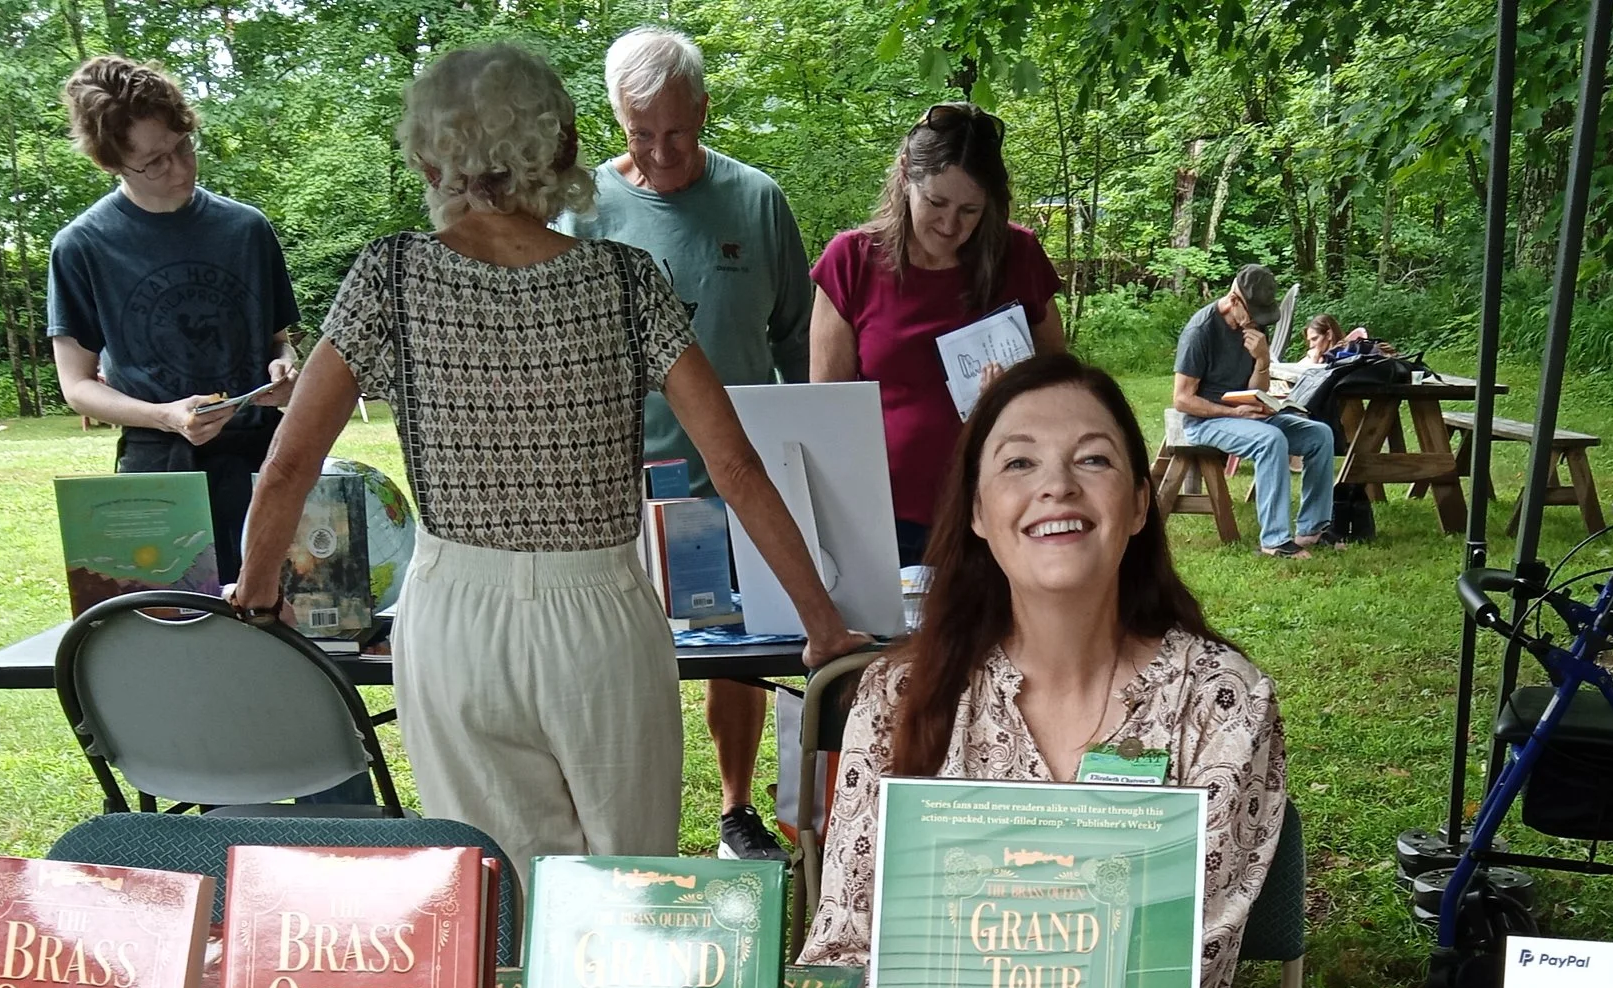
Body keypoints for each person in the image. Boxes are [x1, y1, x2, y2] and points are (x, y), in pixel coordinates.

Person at [231, 43, 858, 871]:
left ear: (428, 156)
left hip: (457, 619)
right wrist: (821, 621)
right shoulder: (628, 281)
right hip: (599, 614)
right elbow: (735, 464)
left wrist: (259, 584)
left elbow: (289, 462)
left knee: (507, 892)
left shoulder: (389, 274)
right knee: (628, 887)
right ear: (563, 150)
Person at [800, 353, 1287, 988]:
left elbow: (1180, 973)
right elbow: (843, 952)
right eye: (1019, 463)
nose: (1057, 485)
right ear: (976, 510)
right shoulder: (897, 697)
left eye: (1093, 460)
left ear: (1141, 503)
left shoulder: (1221, 702)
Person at [559, 27, 815, 865]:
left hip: (736, 478)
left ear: (704, 110)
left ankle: (737, 809)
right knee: (624, 661)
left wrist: (807, 454)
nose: (662, 151)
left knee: (737, 655)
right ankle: (626, 828)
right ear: (616, 121)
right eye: (640, 134)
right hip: (620, 482)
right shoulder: (581, 209)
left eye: (677, 130)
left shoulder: (757, 200)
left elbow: (798, 340)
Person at [48, 56, 299, 584]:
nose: (181, 169)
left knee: (284, 627)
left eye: (184, 146)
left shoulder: (247, 229)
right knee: (168, 635)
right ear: (113, 163)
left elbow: (279, 342)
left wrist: (284, 373)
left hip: (265, 460)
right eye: (156, 162)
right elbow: (77, 386)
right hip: (159, 471)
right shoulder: (82, 246)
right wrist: (167, 415)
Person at [809, 104, 1068, 568]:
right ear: (906, 174)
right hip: (884, 515)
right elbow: (827, 409)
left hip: (1001, 505)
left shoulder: (1019, 254)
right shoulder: (851, 261)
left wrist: (1012, 394)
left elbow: (1062, 383)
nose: (951, 226)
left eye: (970, 210)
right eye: (936, 204)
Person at [1171, 265, 1336, 558]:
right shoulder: (1201, 331)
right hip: (1206, 420)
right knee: (1270, 440)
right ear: (1234, 300)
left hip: (1246, 413)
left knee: (1319, 435)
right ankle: (1274, 541)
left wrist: (1262, 361)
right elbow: (1183, 399)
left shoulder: (1254, 327)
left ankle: (1312, 529)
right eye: (1252, 315)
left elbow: (1257, 387)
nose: (1257, 323)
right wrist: (1235, 414)